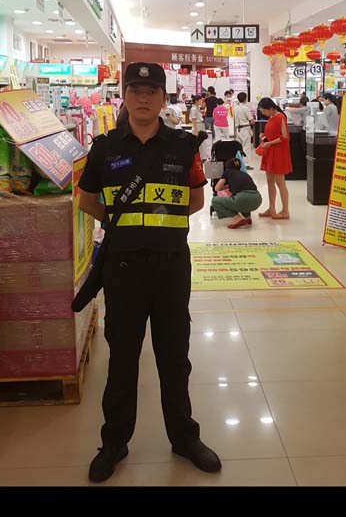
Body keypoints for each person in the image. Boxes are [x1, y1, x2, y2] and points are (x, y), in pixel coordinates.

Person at [78, 62, 221, 483]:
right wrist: (125, 225)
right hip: (123, 269)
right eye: (135, 90)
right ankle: (114, 442)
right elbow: (87, 200)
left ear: (162, 97)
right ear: (124, 95)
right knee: (122, 358)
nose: (143, 98)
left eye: (151, 91)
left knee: (175, 357)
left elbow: (196, 200)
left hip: (171, 267)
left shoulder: (182, 146)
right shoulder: (104, 148)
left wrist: (158, 226)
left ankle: (185, 438)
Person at [257, 96, 291, 220]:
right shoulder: (271, 117)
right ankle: (271, 208)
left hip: (278, 152)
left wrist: (270, 143)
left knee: (280, 182)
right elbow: (272, 134)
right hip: (270, 151)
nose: (263, 113)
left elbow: (285, 137)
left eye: (264, 110)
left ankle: (285, 211)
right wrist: (264, 137)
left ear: (271, 108)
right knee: (270, 181)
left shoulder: (281, 117)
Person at [211, 158, 262, 228]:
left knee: (215, 200)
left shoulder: (228, 172)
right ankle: (247, 217)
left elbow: (217, 188)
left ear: (227, 167)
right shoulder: (245, 174)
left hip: (242, 199)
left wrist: (226, 186)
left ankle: (236, 218)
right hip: (257, 199)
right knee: (243, 199)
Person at [234, 91, 254, 167]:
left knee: (239, 147)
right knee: (246, 147)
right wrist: (253, 122)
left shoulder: (235, 108)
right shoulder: (246, 108)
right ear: (245, 99)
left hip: (237, 129)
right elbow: (251, 120)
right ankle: (246, 164)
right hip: (245, 128)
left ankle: (239, 163)